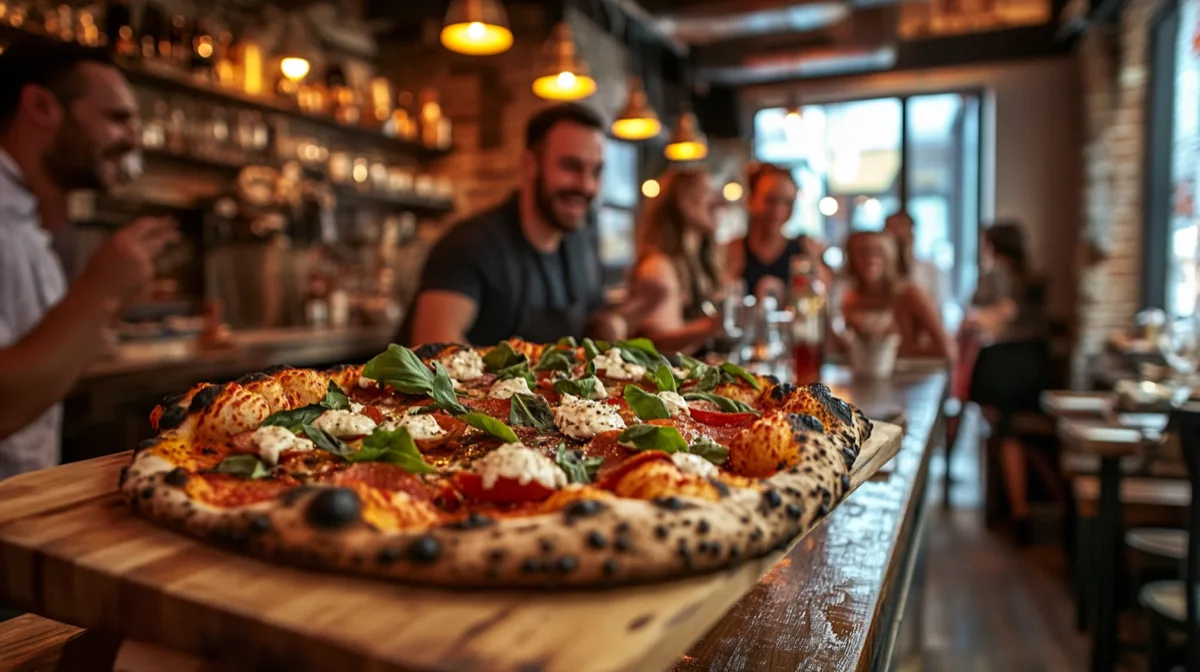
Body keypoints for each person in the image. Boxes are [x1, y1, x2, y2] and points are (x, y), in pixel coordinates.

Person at [0, 42, 178, 478]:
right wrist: (100, 291)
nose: (134, 139)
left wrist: (110, 304)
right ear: (41, 105)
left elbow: (40, 357)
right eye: (117, 118)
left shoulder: (24, 221)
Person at [405, 104, 620, 346]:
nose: (587, 186)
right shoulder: (468, 246)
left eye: (596, 171)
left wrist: (620, 320)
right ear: (531, 165)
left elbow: (593, 319)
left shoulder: (581, 244)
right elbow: (431, 348)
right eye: (571, 167)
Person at [963, 222, 1051, 544]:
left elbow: (1002, 312)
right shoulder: (1031, 274)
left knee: (1006, 429)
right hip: (1035, 362)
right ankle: (1036, 502)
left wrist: (973, 319)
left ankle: (1018, 510)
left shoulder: (996, 272)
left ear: (993, 244)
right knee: (1018, 431)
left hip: (1005, 362)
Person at [628, 167, 723, 354]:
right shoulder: (659, 266)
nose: (718, 202)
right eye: (707, 192)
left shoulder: (700, 261)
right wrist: (712, 326)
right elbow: (655, 344)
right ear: (683, 201)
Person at [838, 231, 953, 360]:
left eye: (877, 251)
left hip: (910, 376)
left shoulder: (910, 295)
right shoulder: (851, 299)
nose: (870, 258)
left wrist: (894, 353)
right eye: (862, 252)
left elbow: (948, 350)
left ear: (889, 255)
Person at [724, 163, 831, 299]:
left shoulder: (805, 249)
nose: (778, 211)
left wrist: (815, 262)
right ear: (751, 200)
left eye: (788, 202)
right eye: (771, 200)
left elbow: (824, 297)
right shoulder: (733, 250)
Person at [884, 210, 946, 317]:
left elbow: (939, 306)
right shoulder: (879, 271)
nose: (899, 233)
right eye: (893, 229)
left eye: (903, 228)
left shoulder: (930, 268)